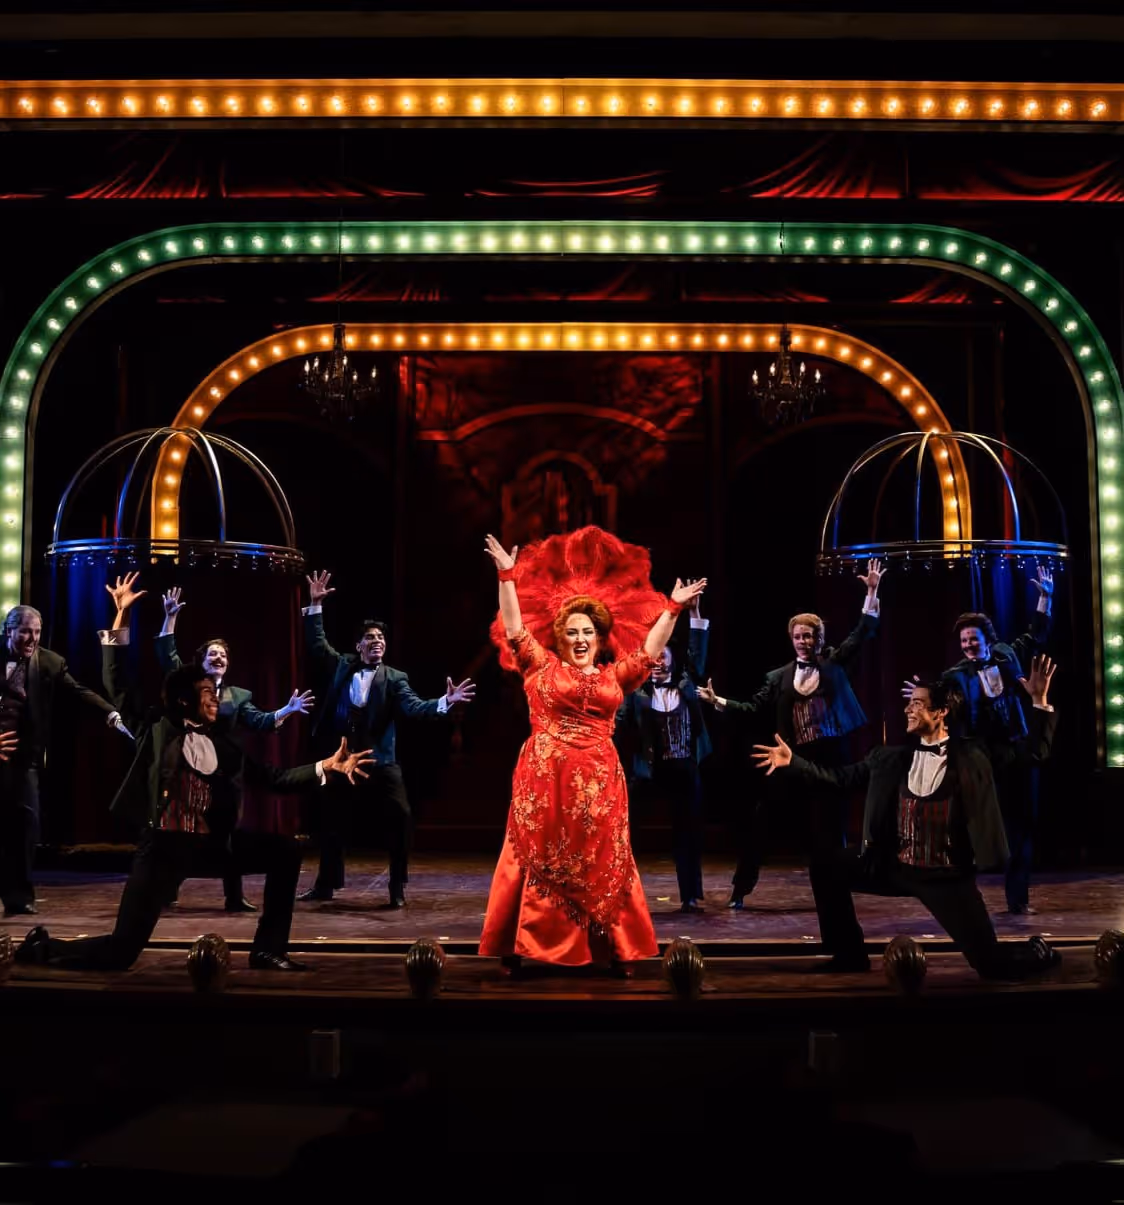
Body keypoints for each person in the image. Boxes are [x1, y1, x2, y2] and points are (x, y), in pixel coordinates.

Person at [13, 573, 374, 973]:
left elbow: (273, 778)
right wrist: (121, 615)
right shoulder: (155, 729)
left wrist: (326, 766)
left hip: (211, 846)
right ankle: (43, 947)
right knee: (120, 953)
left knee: (285, 851)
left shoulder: (223, 744)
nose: (214, 701)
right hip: (163, 850)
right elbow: (115, 678)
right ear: (186, 699)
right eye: (206, 695)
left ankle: (268, 949)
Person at [480, 527, 707, 974]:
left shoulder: (612, 678)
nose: (580, 638)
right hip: (545, 780)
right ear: (560, 637)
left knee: (603, 855)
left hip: (599, 781)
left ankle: (612, 948)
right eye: (571, 631)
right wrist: (507, 575)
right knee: (537, 853)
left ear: (600, 637)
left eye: (588, 631)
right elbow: (514, 627)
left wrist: (673, 608)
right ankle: (525, 943)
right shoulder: (539, 666)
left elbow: (648, 653)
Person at [751, 656, 1061, 980]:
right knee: (827, 866)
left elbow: (1031, 753)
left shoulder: (972, 756)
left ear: (940, 712)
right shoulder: (890, 758)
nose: (908, 710)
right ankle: (849, 954)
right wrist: (795, 762)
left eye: (917, 704)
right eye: (910, 704)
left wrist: (1039, 703)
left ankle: (1037, 951)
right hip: (894, 866)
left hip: (946, 876)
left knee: (992, 966)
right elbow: (838, 778)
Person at [699, 559, 885, 908]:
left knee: (829, 831)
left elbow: (863, 632)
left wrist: (872, 591)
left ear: (819, 638)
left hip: (830, 760)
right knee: (762, 824)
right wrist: (718, 700)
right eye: (797, 636)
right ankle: (740, 891)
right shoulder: (778, 677)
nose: (802, 641)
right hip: (790, 760)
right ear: (791, 639)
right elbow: (753, 709)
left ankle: (834, 890)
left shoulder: (833, 663)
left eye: (808, 635)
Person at [298, 570, 476, 908]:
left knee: (400, 816)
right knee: (331, 820)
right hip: (344, 759)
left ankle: (396, 885)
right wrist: (315, 605)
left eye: (381, 637)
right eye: (370, 637)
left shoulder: (395, 678)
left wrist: (444, 702)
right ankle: (326, 885)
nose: (377, 641)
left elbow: (414, 707)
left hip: (380, 760)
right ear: (359, 645)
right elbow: (317, 645)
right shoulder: (343, 666)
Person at [155, 585, 315, 913]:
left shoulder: (238, 696)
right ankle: (168, 886)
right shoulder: (189, 684)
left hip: (226, 776)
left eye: (224, 655)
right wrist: (170, 619)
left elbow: (260, 721)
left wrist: (287, 709)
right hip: (190, 771)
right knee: (187, 832)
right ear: (201, 660)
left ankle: (233, 895)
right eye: (213, 654)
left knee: (227, 833)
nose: (219, 658)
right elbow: (167, 658)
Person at [918, 565, 1054, 915]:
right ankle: (962, 894)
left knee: (1023, 822)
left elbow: (1035, 634)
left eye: (973, 639)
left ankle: (1017, 898)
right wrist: (920, 695)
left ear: (987, 638)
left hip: (1018, 747)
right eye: (963, 641)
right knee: (974, 822)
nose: (968, 645)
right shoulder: (954, 675)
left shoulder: (1007, 654)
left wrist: (1044, 598)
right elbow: (939, 700)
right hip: (980, 755)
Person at [1, 603, 125, 917]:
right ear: (9, 630)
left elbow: (79, 691)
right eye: (26, 631)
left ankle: (18, 897)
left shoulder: (49, 663)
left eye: (37, 632)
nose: (32, 638)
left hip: (23, 758)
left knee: (26, 824)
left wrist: (109, 712)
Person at [615, 582, 712, 912]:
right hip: (650, 772)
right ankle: (623, 891)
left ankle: (690, 895)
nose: (660, 664)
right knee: (629, 832)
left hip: (684, 768)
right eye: (654, 660)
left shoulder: (686, 684)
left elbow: (697, 658)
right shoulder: (637, 695)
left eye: (665, 658)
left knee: (687, 834)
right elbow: (615, 723)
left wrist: (695, 613)